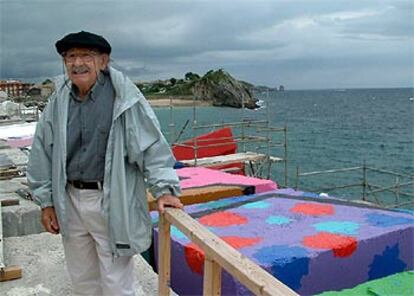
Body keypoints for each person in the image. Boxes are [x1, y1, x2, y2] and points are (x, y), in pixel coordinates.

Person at [27, 31, 183, 296]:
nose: (78, 63)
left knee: (116, 283)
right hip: (70, 199)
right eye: (71, 56)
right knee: (82, 279)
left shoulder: (124, 98)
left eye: (86, 55)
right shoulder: (58, 101)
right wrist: (46, 201)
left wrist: (165, 190)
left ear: (103, 61)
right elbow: (42, 151)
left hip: (111, 199)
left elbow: (152, 147)